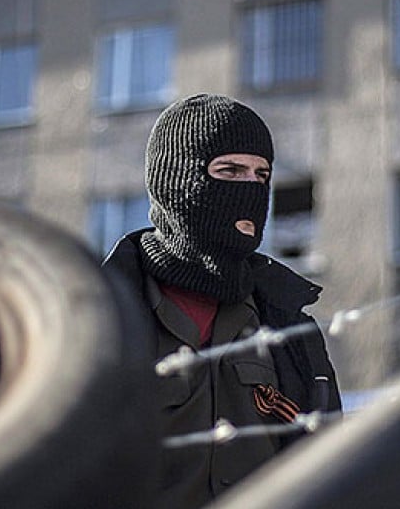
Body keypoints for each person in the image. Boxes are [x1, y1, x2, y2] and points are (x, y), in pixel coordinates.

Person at [102, 93, 341, 508]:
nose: (250, 189)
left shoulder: (287, 325)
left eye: (261, 175)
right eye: (229, 170)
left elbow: (333, 467)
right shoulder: (98, 316)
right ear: (176, 183)